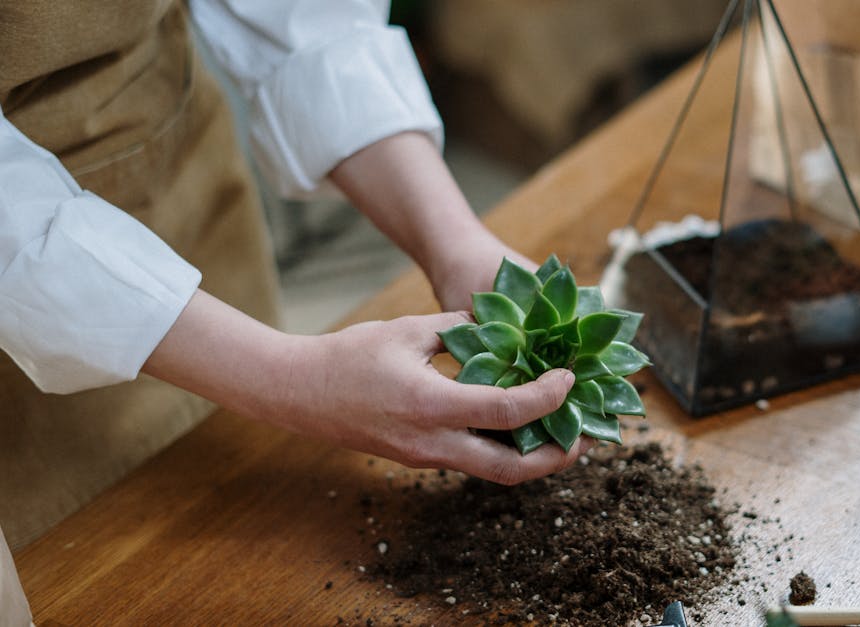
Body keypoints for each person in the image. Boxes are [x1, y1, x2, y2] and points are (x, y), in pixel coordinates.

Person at [0, 1, 592, 621]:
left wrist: (454, 243)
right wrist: (288, 376)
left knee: (251, 507)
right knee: (92, 575)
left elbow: (299, 15)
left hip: (168, 164)